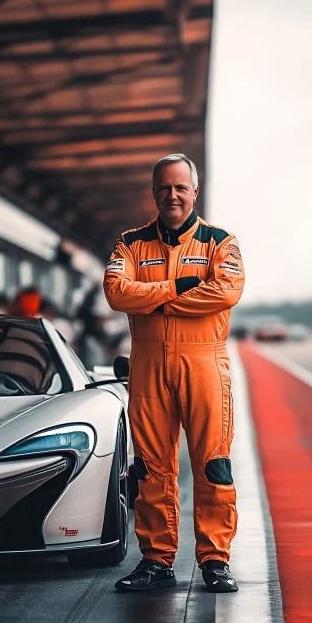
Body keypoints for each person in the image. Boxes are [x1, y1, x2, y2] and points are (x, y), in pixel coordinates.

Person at [103, 153, 245, 593]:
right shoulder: (130, 243)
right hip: (148, 367)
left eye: (181, 187)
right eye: (165, 187)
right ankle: (157, 560)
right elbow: (115, 292)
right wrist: (179, 287)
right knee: (150, 469)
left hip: (204, 364)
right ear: (154, 193)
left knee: (213, 464)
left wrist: (153, 298)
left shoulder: (221, 242)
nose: (172, 195)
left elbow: (226, 291)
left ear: (194, 192)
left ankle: (215, 560)